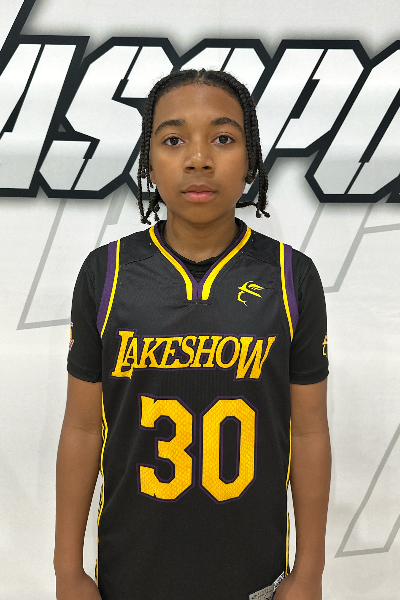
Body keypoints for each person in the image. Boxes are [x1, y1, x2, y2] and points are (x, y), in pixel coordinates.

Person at [54, 68, 331, 600]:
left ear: (251, 159)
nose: (199, 158)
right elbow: (83, 430)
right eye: (174, 139)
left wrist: (310, 571)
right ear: (148, 161)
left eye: (223, 139)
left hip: (255, 576)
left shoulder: (291, 277)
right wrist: (67, 569)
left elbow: (309, 433)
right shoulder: (106, 273)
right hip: (131, 573)